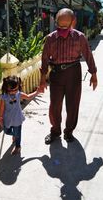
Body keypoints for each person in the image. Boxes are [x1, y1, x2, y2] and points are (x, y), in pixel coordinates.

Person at [39, 8, 98, 144]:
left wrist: (93, 74)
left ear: (73, 22)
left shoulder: (80, 37)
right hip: (56, 74)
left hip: (73, 73)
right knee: (55, 105)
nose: (62, 29)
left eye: (66, 26)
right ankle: (55, 131)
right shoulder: (50, 38)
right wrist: (42, 80)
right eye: (60, 26)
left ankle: (69, 132)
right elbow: (45, 59)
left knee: (72, 105)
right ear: (56, 23)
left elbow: (88, 56)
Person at [0, 75, 40, 154]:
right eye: (11, 90)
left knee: (18, 134)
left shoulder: (18, 94)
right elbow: (1, 108)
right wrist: (0, 118)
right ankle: (14, 135)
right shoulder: (4, 97)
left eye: (16, 89)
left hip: (17, 118)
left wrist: (37, 92)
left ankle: (18, 146)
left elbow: (28, 97)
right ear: (6, 88)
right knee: (6, 131)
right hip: (7, 118)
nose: (14, 92)